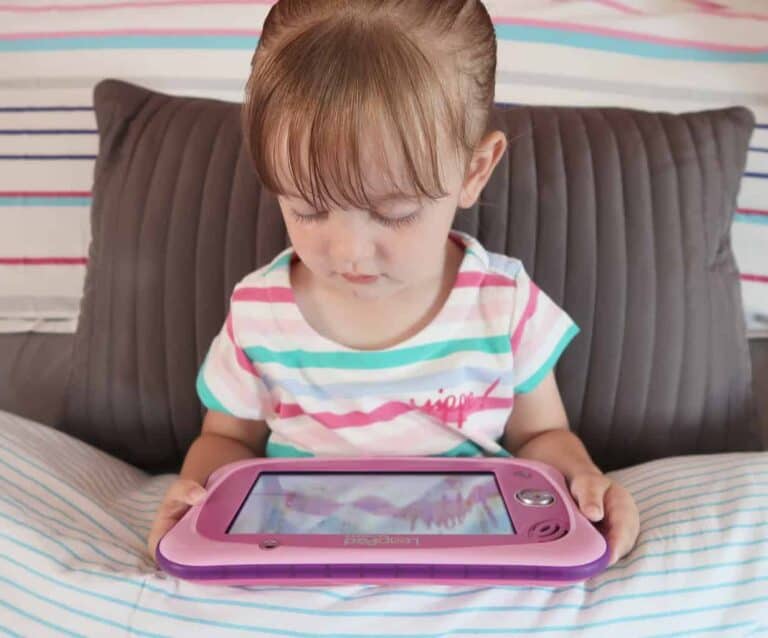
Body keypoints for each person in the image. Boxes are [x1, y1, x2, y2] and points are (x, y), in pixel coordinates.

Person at [147, 0, 639, 566]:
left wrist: (583, 480)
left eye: (395, 211)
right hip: (299, 560)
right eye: (308, 209)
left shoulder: (501, 305)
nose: (351, 251)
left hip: (466, 559)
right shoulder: (260, 309)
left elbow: (540, 438)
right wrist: (194, 497)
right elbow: (228, 440)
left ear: (474, 171)